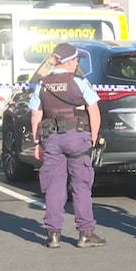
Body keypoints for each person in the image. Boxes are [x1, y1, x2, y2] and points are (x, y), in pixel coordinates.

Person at [29, 42, 104, 249]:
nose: (77, 62)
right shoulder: (79, 82)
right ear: (69, 62)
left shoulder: (42, 83)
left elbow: (36, 115)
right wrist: (94, 139)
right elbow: (94, 110)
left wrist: (37, 143)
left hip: (51, 139)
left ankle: (53, 234)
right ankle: (86, 233)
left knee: (54, 186)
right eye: (76, 59)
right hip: (77, 138)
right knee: (81, 185)